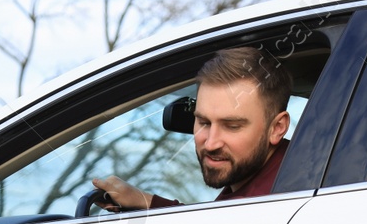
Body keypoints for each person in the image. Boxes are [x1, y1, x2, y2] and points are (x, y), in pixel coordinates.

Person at [92, 46, 292, 209]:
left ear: (277, 128)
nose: (211, 143)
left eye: (232, 126)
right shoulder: (285, 175)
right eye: (203, 122)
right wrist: (145, 202)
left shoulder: (281, 197)